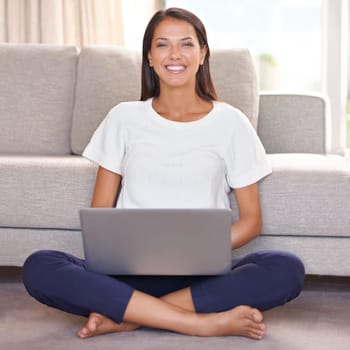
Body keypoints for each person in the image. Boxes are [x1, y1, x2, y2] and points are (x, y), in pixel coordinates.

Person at [23, 7, 305, 340]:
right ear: (149, 58)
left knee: (286, 268)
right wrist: (117, 251)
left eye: (186, 44)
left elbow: (251, 220)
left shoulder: (231, 123)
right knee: (41, 265)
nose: (175, 54)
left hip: (201, 276)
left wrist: (206, 247)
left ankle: (129, 316)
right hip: (127, 272)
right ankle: (198, 322)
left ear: (202, 55)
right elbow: (100, 212)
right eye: (162, 45)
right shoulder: (123, 118)